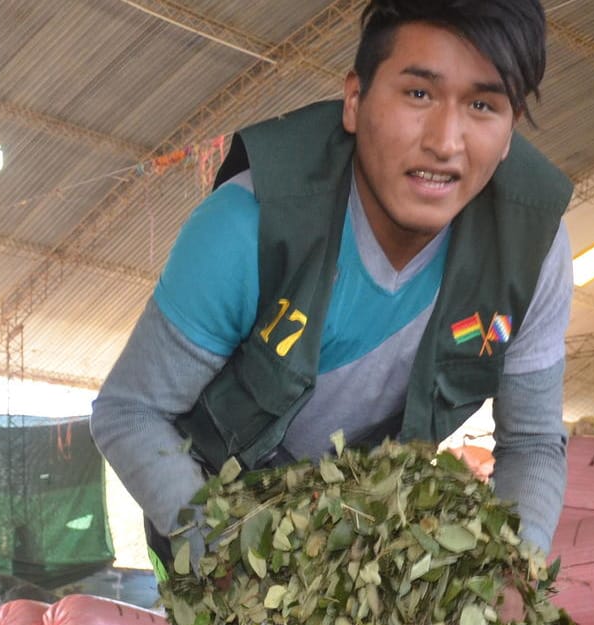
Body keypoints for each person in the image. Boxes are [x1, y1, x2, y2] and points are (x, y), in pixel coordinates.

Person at [90, 0, 569, 570]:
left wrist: (515, 566)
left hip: (367, 537)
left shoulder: (530, 251)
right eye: (418, 94)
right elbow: (130, 413)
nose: (445, 142)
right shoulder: (249, 225)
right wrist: (218, 551)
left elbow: (534, 443)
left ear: (511, 131)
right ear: (354, 100)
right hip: (217, 509)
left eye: (484, 105)